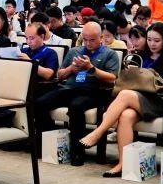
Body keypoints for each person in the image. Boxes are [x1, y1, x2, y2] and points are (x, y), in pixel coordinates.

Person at [80, 23, 163, 175]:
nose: (152, 44)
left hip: (161, 101)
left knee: (125, 94)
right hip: (138, 100)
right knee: (126, 115)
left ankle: (98, 132)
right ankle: (123, 164)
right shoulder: (141, 55)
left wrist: (152, 82)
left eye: (157, 40)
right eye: (149, 39)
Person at [37, 22, 121, 165]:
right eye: (85, 39)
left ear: (101, 38)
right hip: (70, 88)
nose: (88, 43)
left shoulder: (109, 54)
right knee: (40, 102)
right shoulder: (74, 51)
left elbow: (112, 78)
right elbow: (60, 75)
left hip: (93, 92)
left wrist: (91, 69)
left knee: (76, 106)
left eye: (92, 40)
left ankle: (77, 151)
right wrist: (71, 69)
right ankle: (47, 143)